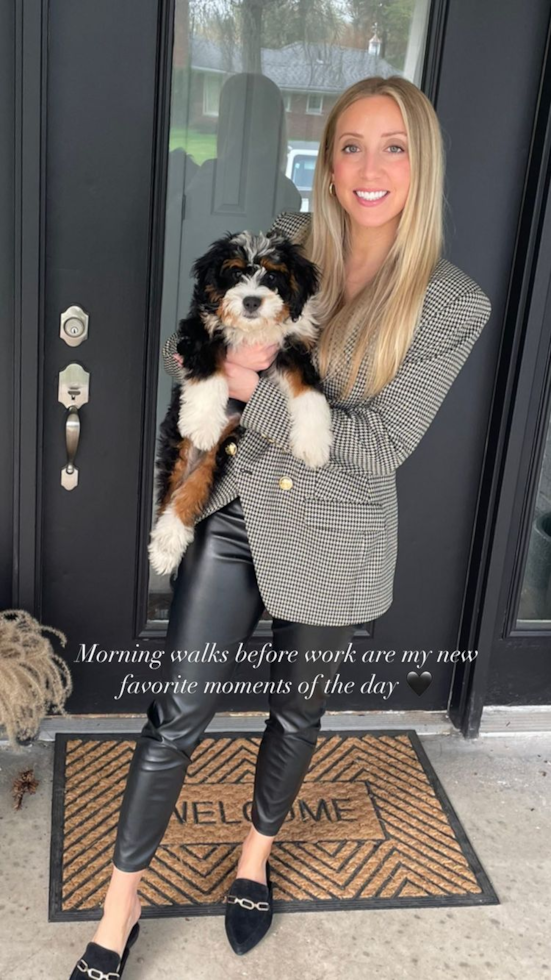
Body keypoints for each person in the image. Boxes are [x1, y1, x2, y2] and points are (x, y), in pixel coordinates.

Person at [69, 74, 492, 975]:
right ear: (327, 160)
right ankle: (119, 908)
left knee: (297, 711)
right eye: (349, 145)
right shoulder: (281, 247)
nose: (368, 168)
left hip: (339, 535)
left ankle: (253, 863)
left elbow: (378, 446)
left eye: (393, 147)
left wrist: (249, 384)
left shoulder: (451, 303)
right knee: (177, 712)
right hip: (235, 509)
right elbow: (200, 342)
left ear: (422, 163)